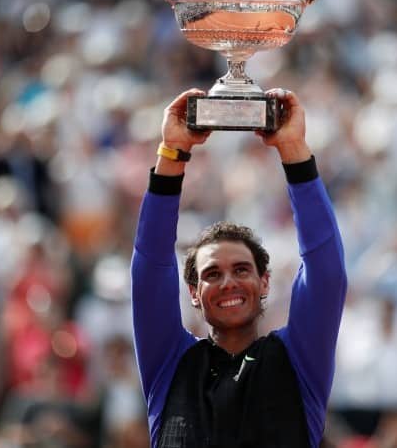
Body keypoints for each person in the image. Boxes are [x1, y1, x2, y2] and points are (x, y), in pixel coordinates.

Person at [130, 88, 347, 447]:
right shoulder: (170, 363)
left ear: (265, 282)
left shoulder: (299, 361)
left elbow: (326, 273)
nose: (228, 282)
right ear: (193, 293)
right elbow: (150, 265)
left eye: (242, 270)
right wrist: (172, 152)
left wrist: (293, 150)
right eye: (212, 274)